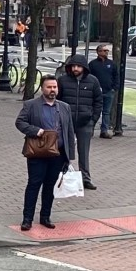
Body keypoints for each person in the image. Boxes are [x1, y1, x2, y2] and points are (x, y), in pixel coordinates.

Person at [15, 74, 77, 231]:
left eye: (54, 87)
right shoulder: (31, 105)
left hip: (58, 154)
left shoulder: (64, 107)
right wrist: (36, 131)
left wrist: (69, 156)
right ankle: (27, 218)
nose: (52, 90)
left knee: (50, 186)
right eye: (49, 87)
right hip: (38, 153)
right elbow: (20, 122)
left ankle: (45, 216)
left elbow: (69, 131)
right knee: (34, 184)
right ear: (42, 88)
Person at [56, 54, 103, 190]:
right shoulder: (63, 80)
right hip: (66, 122)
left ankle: (85, 178)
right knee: (64, 151)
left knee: (84, 152)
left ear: (84, 67)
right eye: (73, 66)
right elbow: (57, 100)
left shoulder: (93, 81)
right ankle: (61, 177)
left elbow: (98, 101)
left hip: (85, 121)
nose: (75, 68)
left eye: (78, 66)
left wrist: (93, 119)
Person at [87, 45, 117, 139]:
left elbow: (116, 76)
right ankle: (90, 129)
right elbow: (88, 76)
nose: (107, 52)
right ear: (99, 52)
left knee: (106, 112)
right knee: (93, 111)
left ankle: (104, 131)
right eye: (104, 50)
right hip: (96, 92)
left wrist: (114, 88)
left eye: (107, 50)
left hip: (108, 91)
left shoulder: (111, 64)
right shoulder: (92, 64)